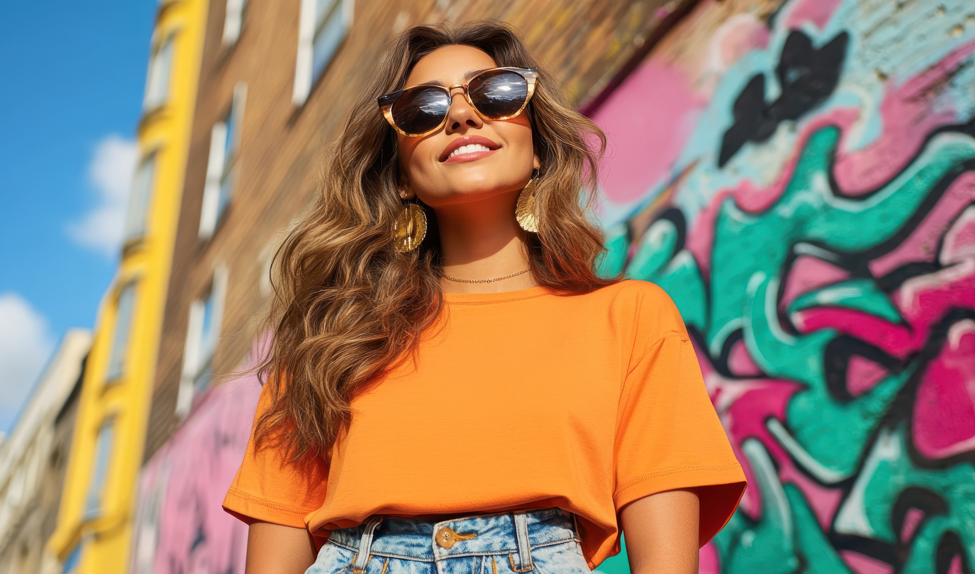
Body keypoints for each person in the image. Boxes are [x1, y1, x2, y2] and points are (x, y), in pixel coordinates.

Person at [222, 20, 746, 574]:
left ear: (539, 146)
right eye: (422, 108)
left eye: (495, 94)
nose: (461, 115)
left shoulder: (630, 318)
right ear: (400, 174)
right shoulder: (329, 337)